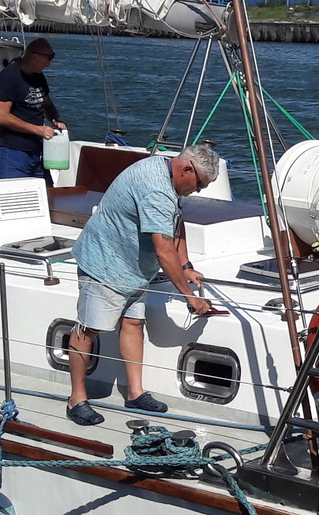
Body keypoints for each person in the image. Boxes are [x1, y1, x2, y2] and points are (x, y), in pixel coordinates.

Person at [64, 144, 219, 426]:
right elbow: (164, 250)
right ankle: (77, 399)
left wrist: (186, 267)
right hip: (105, 263)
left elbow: (176, 221)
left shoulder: (165, 170)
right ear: (187, 169)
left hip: (134, 269)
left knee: (133, 323)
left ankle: (135, 393)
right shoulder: (156, 190)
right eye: (200, 185)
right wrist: (190, 297)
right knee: (88, 330)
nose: (197, 191)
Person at [0, 38, 66, 181]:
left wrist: (55, 119)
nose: (49, 64)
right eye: (48, 58)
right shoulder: (9, 76)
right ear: (34, 56)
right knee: (17, 192)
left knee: (46, 192)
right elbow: (2, 116)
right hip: (13, 152)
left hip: (36, 152)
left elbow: (46, 103)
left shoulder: (38, 76)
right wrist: (38, 130)